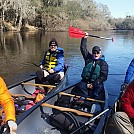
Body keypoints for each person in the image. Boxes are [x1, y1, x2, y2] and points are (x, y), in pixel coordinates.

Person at [71, 34, 108, 101]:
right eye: (94, 52)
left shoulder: (103, 64)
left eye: (97, 53)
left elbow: (104, 76)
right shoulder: (88, 59)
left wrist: (93, 84)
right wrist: (84, 38)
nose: (96, 54)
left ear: (100, 54)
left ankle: (92, 99)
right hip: (85, 82)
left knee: (99, 88)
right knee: (80, 86)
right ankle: (85, 97)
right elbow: (83, 48)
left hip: (96, 83)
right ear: (92, 53)